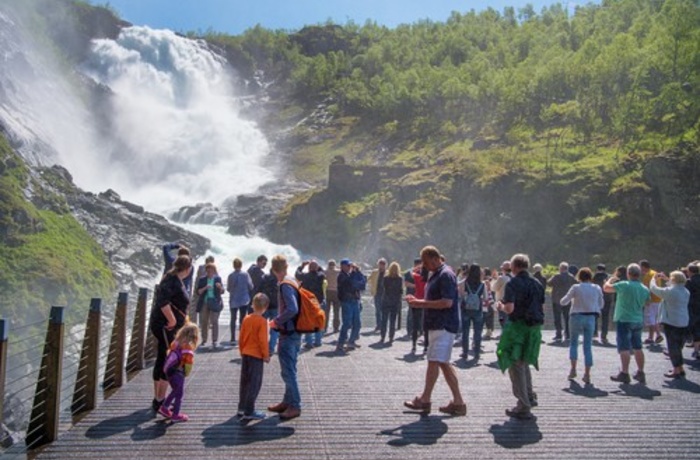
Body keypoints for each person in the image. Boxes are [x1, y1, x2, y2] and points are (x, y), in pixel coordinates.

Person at [404, 245, 466, 417]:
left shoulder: (445, 275)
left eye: (425, 262)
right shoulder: (439, 273)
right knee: (443, 363)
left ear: (434, 258)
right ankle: (458, 402)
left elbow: (447, 302)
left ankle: (425, 400)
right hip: (438, 325)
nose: (424, 266)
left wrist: (420, 303)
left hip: (443, 325)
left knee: (434, 361)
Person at [496, 253, 544, 420]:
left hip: (518, 328)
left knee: (516, 364)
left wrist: (500, 306)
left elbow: (509, 309)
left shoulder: (513, 283)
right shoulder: (537, 283)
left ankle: (523, 405)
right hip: (535, 329)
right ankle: (530, 396)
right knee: (526, 362)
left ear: (514, 267)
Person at [149, 254, 192, 413]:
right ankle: (160, 400)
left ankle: (158, 399)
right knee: (169, 360)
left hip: (165, 327)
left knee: (162, 357)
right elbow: (163, 302)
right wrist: (172, 320)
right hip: (166, 327)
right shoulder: (171, 280)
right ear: (188, 269)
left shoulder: (172, 277)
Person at [268, 255, 302, 420]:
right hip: (295, 332)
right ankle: (287, 402)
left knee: (288, 372)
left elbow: (293, 309)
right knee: (290, 369)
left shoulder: (284, 285)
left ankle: (295, 405)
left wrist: (276, 321)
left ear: (274, 269)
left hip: (288, 333)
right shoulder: (292, 280)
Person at [604, 263, 650, 384]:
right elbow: (647, 303)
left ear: (628, 274)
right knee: (638, 347)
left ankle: (624, 373)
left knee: (624, 348)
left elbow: (607, 288)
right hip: (638, 320)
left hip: (624, 319)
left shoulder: (624, 285)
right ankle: (641, 372)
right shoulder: (644, 288)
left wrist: (610, 280)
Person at [560, 268, 604, 384]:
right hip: (591, 317)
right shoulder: (597, 288)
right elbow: (601, 304)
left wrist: (565, 300)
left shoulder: (576, 287)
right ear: (590, 277)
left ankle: (573, 369)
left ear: (579, 277)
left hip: (576, 316)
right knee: (587, 346)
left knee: (574, 343)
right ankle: (587, 374)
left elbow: (564, 301)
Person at [650, 271, 690, 378]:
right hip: (684, 321)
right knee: (678, 347)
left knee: (673, 347)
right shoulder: (686, 291)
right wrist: (666, 279)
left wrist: (653, 279)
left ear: (673, 280)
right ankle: (680, 368)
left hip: (672, 322)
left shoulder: (670, 291)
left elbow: (654, 289)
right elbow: (674, 285)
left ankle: (676, 369)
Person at [238, 293, 271, 420]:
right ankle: (249, 410)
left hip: (246, 352)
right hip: (256, 355)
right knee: (254, 383)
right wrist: (266, 355)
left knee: (245, 382)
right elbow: (263, 340)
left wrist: (241, 350)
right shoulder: (262, 322)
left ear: (252, 304)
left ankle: (241, 407)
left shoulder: (246, 318)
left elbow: (241, 337)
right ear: (266, 307)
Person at [158, 323, 199, 423]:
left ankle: (165, 407)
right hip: (178, 373)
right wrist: (186, 373)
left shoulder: (175, 343)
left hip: (169, 371)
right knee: (179, 394)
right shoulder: (187, 348)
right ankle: (175, 414)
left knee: (175, 391)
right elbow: (188, 364)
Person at [335, 259, 366, 353]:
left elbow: (363, 283)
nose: (350, 267)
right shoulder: (341, 276)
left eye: (350, 266)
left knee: (357, 323)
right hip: (346, 301)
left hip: (354, 300)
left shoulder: (350, 274)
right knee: (347, 323)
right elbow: (351, 283)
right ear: (342, 266)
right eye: (348, 266)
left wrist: (358, 271)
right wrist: (355, 276)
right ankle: (340, 343)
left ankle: (351, 341)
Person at [295, 260, 326, 348]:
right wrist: (317, 266)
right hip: (318, 301)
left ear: (309, 268)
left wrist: (302, 266)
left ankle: (309, 342)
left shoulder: (305, 276)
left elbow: (297, 274)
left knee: (308, 321)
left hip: (307, 302)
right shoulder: (321, 276)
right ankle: (318, 341)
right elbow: (322, 272)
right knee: (318, 320)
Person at [460, 264, 487, 360]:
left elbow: (461, 295)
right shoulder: (482, 284)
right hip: (477, 310)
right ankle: (476, 353)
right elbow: (486, 298)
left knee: (465, 332)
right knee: (477, 332)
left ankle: (465, 352)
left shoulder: (464, 282)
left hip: (466, 309)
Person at [195, 263, 224, 348]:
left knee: (214, 321)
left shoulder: (218, 279)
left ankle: (215, 340)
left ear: (214, 271)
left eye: (211, 270)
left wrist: (220, 287)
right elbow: (198, 292)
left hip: (214, 302)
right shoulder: (202, 279)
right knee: (204, 321)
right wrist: (205, 288)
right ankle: (204, 340)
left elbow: (222, 291)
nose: (209, 272)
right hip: (205, 302)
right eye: (208, 271)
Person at [548, 262, 577, 341]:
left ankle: (558, 334)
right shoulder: (571, 277)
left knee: (557, 318)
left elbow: (549, 283)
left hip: (556, 299)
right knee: (567, 317)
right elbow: (576, 283)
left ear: (561, 268)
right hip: (567, 299)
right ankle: (567, 334)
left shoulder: (556, 276)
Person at [227, 258, 253, 345]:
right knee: (242, 319)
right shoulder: (246, 274)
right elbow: (251, 286)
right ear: (241, 265)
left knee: (233, 318)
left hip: (233, 299)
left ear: (233, 265)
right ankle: (242, 337)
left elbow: (228, 289)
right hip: (244, 299)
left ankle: (232, 337)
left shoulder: (230, 275)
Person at [258, 268, 280, 355]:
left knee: (262, 327)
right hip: (275, 305)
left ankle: (262, 347)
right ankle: (271, 348)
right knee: (274, 328)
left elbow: (259, 290)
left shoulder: (264, 277)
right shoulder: (279, 279)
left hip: (265, 305)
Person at [640, 260, 663, 344]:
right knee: (654, 318)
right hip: (658, 299)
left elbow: (647, 289)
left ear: (643, 266)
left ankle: (658, 334)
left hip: (652, 299)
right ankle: (651, 337)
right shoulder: (654, 273)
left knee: (650, 319)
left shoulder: (648, 275)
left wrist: (646, 299)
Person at [380, 262, 403, 344]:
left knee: (384, 320)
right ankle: (391, 337)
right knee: (393, 321)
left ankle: (382, 336)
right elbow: (401, 291)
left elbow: (384, 289)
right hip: (395, 301)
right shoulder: (400, 279)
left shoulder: (386, 278)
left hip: (386, 300)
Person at [490, 261, 512, 338]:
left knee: (502, 318)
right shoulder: (514, 277)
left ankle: (504, 332)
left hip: (502, 301)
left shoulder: (502, 278)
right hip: (512, 301)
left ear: (503, 269)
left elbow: (493, 288)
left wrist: (493, 279)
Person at [190, 255, 214, 324]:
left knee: (199, 306)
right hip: (205, 290)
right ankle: (203, 323)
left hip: (200, 289)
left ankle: (196, 322)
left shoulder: (200, 267)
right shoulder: (209, 269)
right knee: (203, 307)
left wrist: (195, 290)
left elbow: (197, 279)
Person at [592, 264, 613, 344]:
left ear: (597, 269)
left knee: (595, 316)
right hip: (607, 299)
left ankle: (594, 333)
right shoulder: (609, 277)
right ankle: (604, 335)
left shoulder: (594, 276)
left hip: (596, 298)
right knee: (605, 317)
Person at [368, 258, 388, 332]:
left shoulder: (388, 273)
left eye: (383, 264)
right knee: (377, 310)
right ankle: (378, 325)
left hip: (385, 294)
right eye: (380, 264)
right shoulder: (374, 272)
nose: (381, 266)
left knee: (384, 310)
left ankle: (383, 325)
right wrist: (371, 287)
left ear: (385, 265)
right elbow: (368, 279)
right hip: (377, 293)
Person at [686, 263, 700, 360]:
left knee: (690, 328)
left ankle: (675, 350)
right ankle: (696, 350)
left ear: (690, 271)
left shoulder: (689, 282)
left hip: (692, 307)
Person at [325, 260, 341, 333]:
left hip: (327, 292)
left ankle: (325, 327)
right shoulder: (338, 272)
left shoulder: (325, 272)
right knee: (336, 311)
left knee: (326, 311)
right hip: (336, 292)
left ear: (328, 265)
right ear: (335, 265)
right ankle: (336, 327)